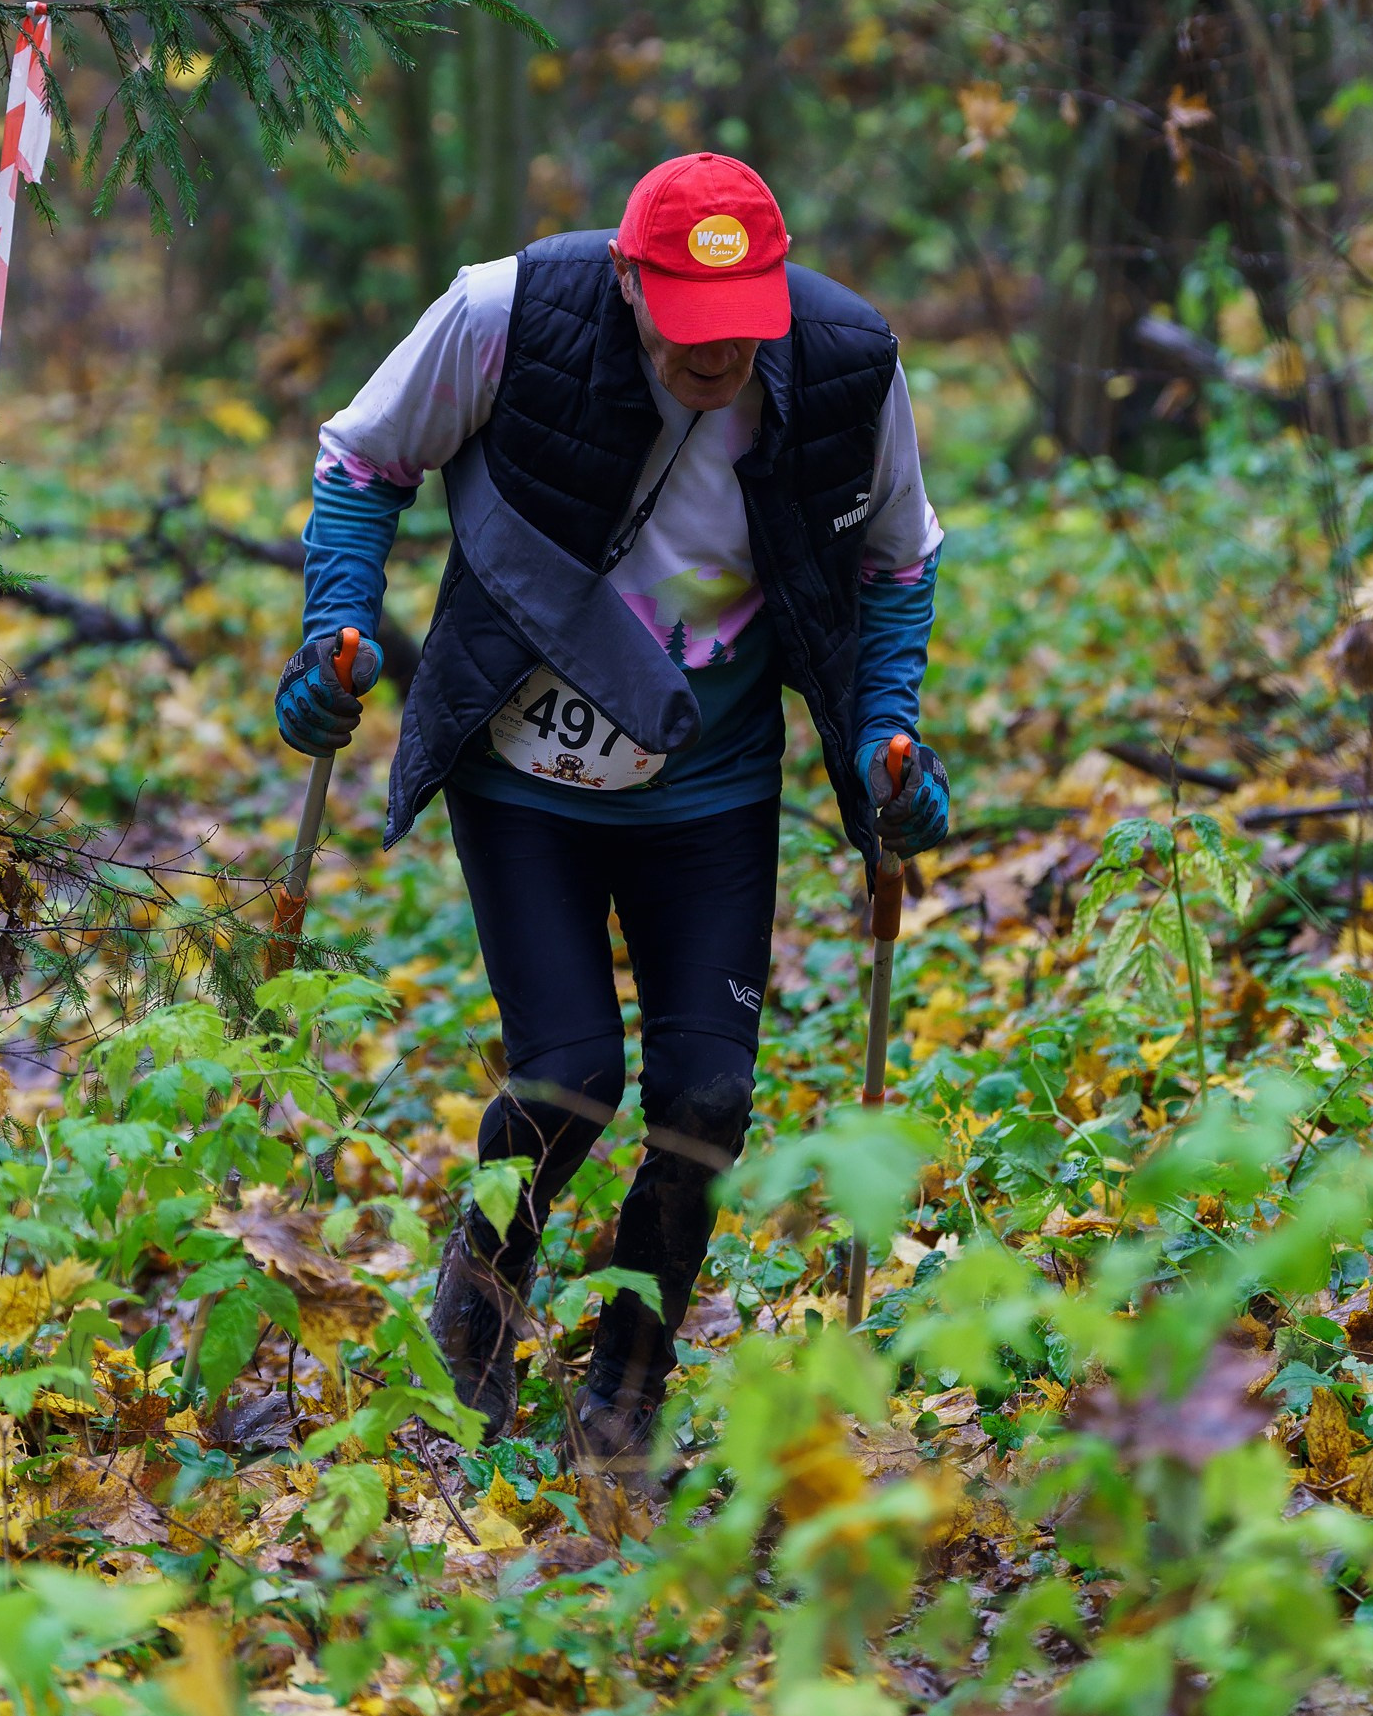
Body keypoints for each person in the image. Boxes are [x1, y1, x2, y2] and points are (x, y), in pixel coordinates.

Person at [272, 151, 948, 1469]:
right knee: (569, 1078)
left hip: (712, 778)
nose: (716, 356)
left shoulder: (850, 362)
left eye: (740, 326)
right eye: (688, 326)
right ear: (632, 282)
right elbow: (363, 456)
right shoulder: (505, 313)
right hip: (524, 768)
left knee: (707, 1096)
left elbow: (897, 561)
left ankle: (626, 1395)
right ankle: (475, 1324)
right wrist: (336, 621)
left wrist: (885, 732)